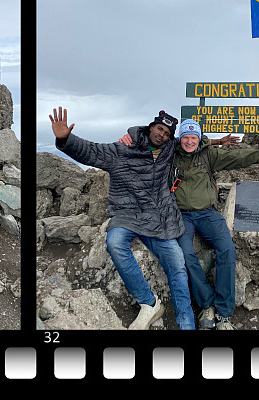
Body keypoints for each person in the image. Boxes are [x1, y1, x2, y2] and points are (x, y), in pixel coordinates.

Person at [121, 120, 259, 330]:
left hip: (208, 214)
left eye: (194, 138)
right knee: (186, 255)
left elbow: (241, 157)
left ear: (199, 139)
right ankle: (206, 305)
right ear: (180, 138)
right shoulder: (170, 154)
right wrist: (129, 136)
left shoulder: (208, 155)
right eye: (185, 137)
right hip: (181, 216)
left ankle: (224, 313)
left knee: (227, 250)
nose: (189, 141)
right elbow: (147, 140)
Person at [50, 107, 195, 330]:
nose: (162, 135)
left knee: (177, 262)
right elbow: (91, 151)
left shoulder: (169, 150)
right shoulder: (122, 149)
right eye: (159, 129)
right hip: (127, 214)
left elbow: (189, 143)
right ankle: (149, 303)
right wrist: (65, 139)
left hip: (159, 217)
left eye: (167, 133)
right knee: (115, 242)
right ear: (151, 127)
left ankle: (186, 325)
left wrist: (218, 142)